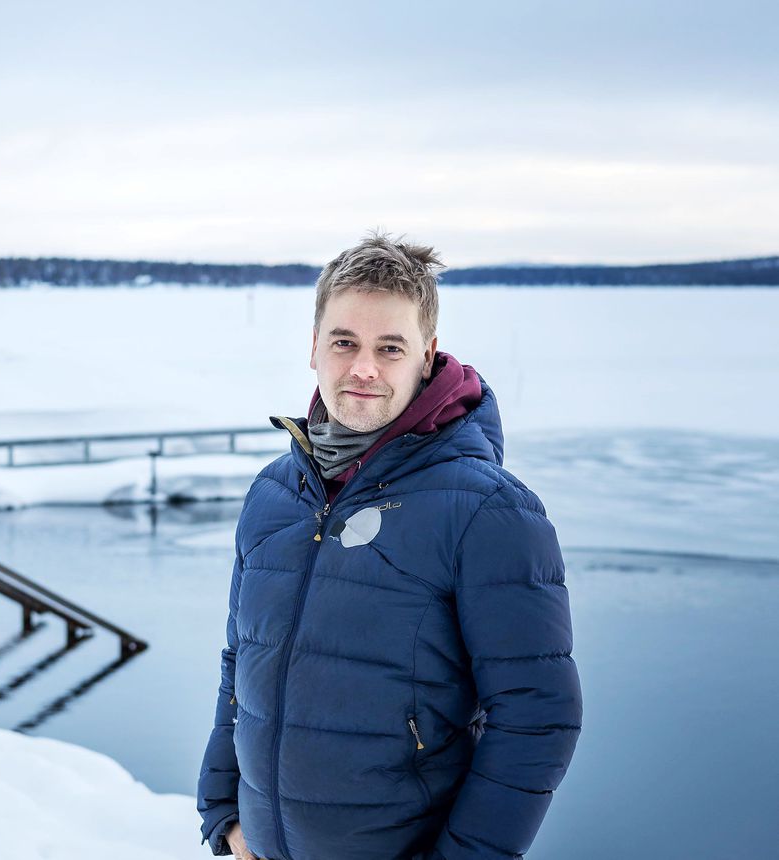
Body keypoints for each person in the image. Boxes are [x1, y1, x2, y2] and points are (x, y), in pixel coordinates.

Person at [196, 232, 582, 860]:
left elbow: (538, 717)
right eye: (344, 342)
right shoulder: (273, 495)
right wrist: (222, 814)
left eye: (390, 347)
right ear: (314, 347)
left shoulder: (488, 511)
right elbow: (241, 664)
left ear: (426, 355)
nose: (364, 368)